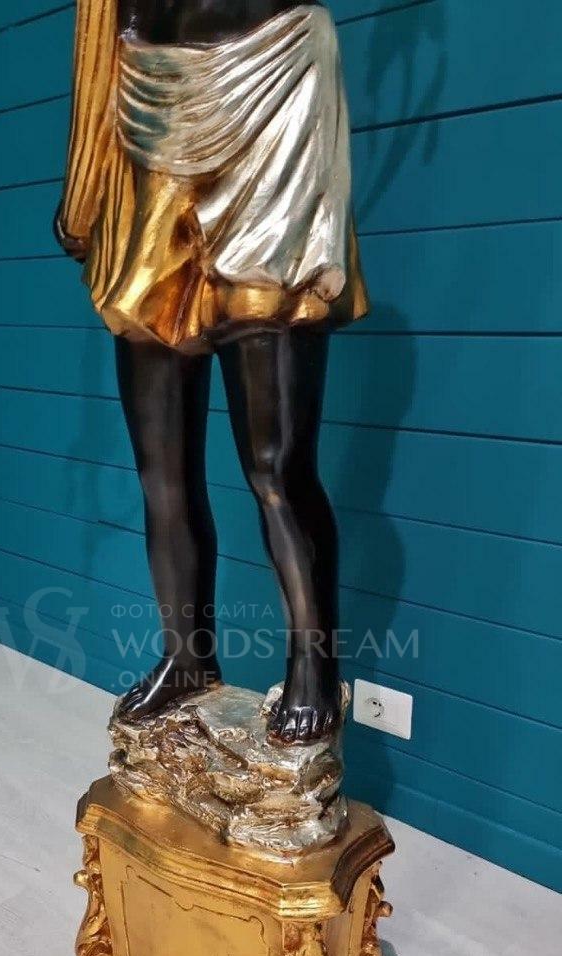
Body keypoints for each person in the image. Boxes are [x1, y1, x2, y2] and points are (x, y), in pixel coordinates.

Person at [56, 0, 368, 742]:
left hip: (271, 96)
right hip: (144, 134)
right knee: (160, 474)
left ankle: (314, 668)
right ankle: (186, 659)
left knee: (276, 470)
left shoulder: (295, 32)